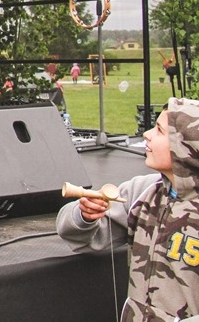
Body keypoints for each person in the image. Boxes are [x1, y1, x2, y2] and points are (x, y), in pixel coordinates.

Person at [55, 97, 199, 321]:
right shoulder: (142, 191)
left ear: (185, 148)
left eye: (159, 131)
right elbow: (76, 234)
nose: (146, 134)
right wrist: (84, 216)